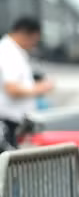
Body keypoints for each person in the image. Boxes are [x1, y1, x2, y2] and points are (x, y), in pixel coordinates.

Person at [0, 17, 51, 149]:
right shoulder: (9, 53)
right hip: (6, 122)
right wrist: (40, 88)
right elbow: (11, 88)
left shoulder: (13, 51)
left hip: (12, 121)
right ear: (26, 34)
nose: (34, 45)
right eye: (34, 40)